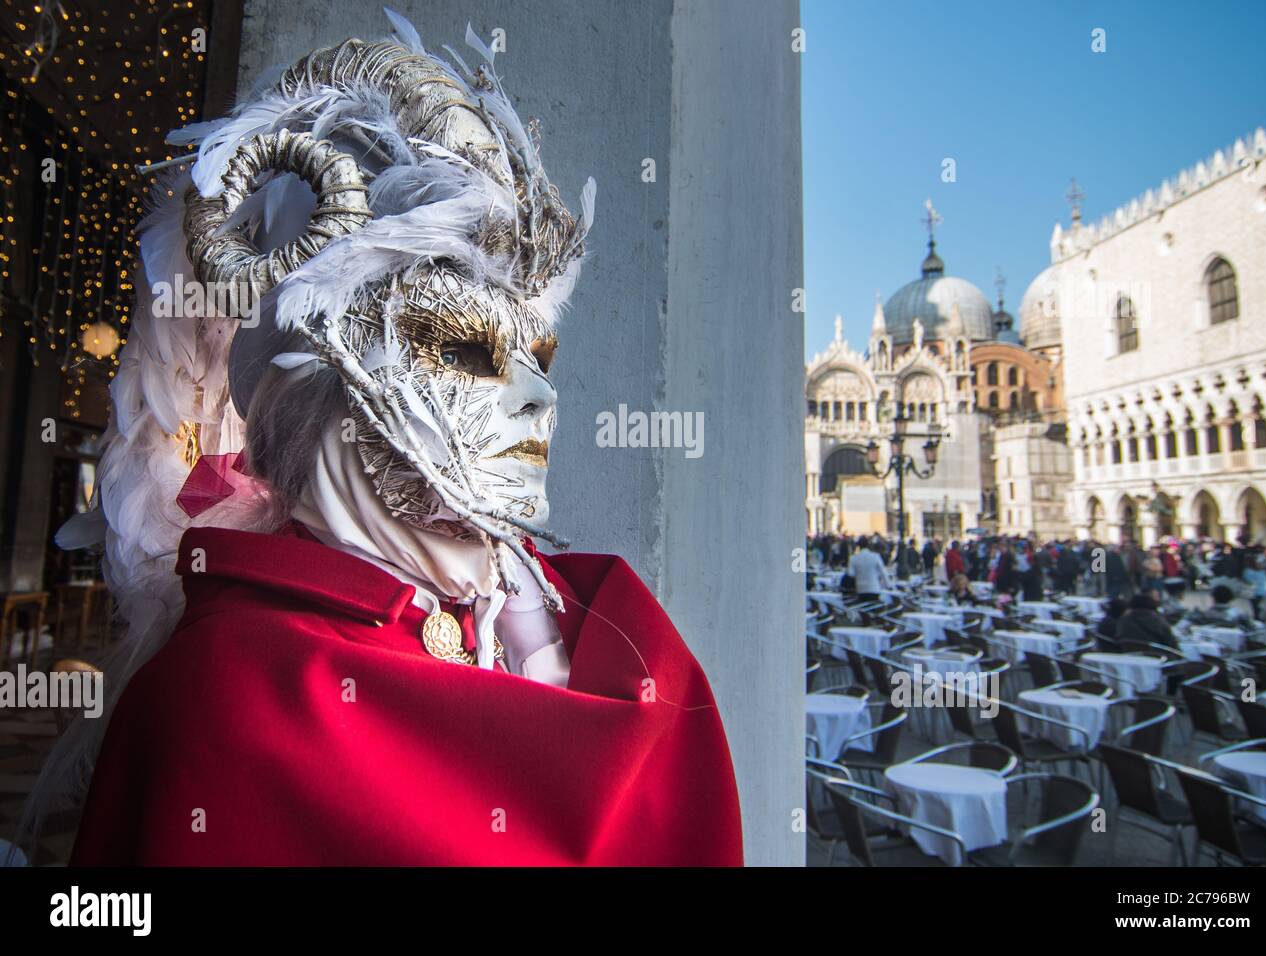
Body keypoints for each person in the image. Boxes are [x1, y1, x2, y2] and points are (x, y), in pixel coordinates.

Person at [32, 13, 742, 866]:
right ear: (325, 390)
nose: (540, 398)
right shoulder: (224, 700)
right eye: (471, 348)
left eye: (540, 355)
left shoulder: (575, 626)